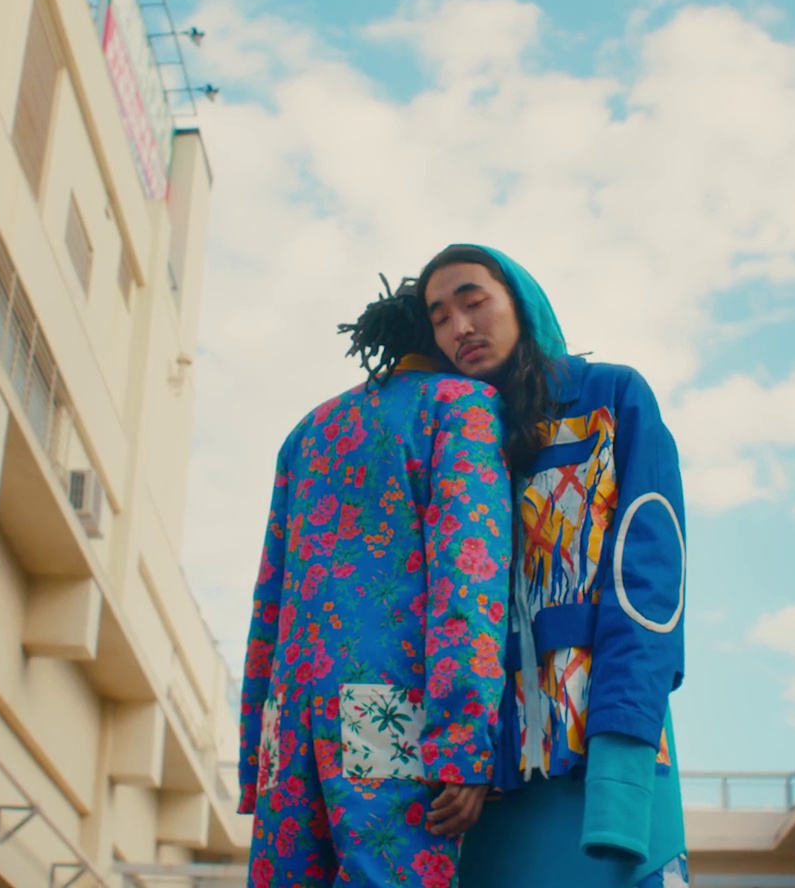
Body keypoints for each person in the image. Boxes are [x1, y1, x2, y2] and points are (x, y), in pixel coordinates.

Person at [417, 245, 690, 888]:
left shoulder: (612, 396)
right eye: (439, 318)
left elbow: (649, 584)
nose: (459, 328)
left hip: (605, 755)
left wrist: (619, 769)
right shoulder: (446, 440)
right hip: (488, 785)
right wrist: (462, 752)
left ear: (522, 303)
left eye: (473, 302)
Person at [238, 278, 514, 888]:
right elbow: (468, 580)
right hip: (391, 710)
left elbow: (268, 601)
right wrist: (464, 743)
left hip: (287, 722)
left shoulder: (306, 432)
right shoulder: (460, 405)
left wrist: (254, 754)